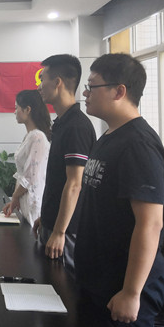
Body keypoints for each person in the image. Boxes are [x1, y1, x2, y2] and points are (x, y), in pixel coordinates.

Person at [76, 53, 164, 327]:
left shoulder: (138, 144)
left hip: (122, 286)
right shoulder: (109, 137)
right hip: (98, 280)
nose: (85, 94)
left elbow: (150, 224)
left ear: (119, 91)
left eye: (92, 86)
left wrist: (131, 293)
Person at [34, 54, 96, 274]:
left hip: (67, 232)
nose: (39, 86)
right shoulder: (62, 122)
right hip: (54, 224)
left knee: (62, 286)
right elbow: (58, 178)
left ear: (57, 82)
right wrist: (46, 217)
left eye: (43, 79)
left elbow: (74, 184)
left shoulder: (76, 126)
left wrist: (59, 231)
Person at [2, 90, 51, 227]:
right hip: (25, 200)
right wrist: (15, 198)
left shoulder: (37, 137)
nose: (14, 112)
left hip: (32, 202)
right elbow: (22, 174)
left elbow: (30, 177)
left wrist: (15, 197)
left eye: (16, 107)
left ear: (27, 109)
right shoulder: (30, 136)